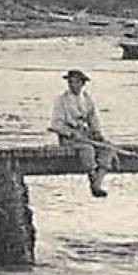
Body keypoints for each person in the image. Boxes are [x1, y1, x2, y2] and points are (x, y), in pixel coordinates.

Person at [50, 68, 115, 198]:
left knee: (107, 148)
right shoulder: (62, 100)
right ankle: (92, 179)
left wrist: (96, 132)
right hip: (70, 138)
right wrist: (69, 132)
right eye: (71, 82)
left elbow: (93, 119)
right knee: (88, 150)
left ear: (82, 84)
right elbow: (56, 124)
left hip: (86, 135)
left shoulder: (87, 99)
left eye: (76, 82)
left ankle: (98, 182)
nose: (73, 85)